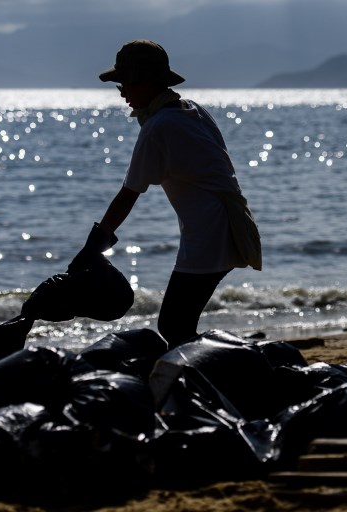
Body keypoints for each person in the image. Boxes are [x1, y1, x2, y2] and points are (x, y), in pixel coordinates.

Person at [69, 40, 262, 347]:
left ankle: (232, 364)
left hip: (209, 236)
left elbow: (128, 194)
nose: (122, 95)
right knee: (179, 324)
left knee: (174, 326)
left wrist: (94, 245)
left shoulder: (159, 127)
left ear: (144, 83)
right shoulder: (192, 111)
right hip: (232, 225)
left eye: (123, 86)